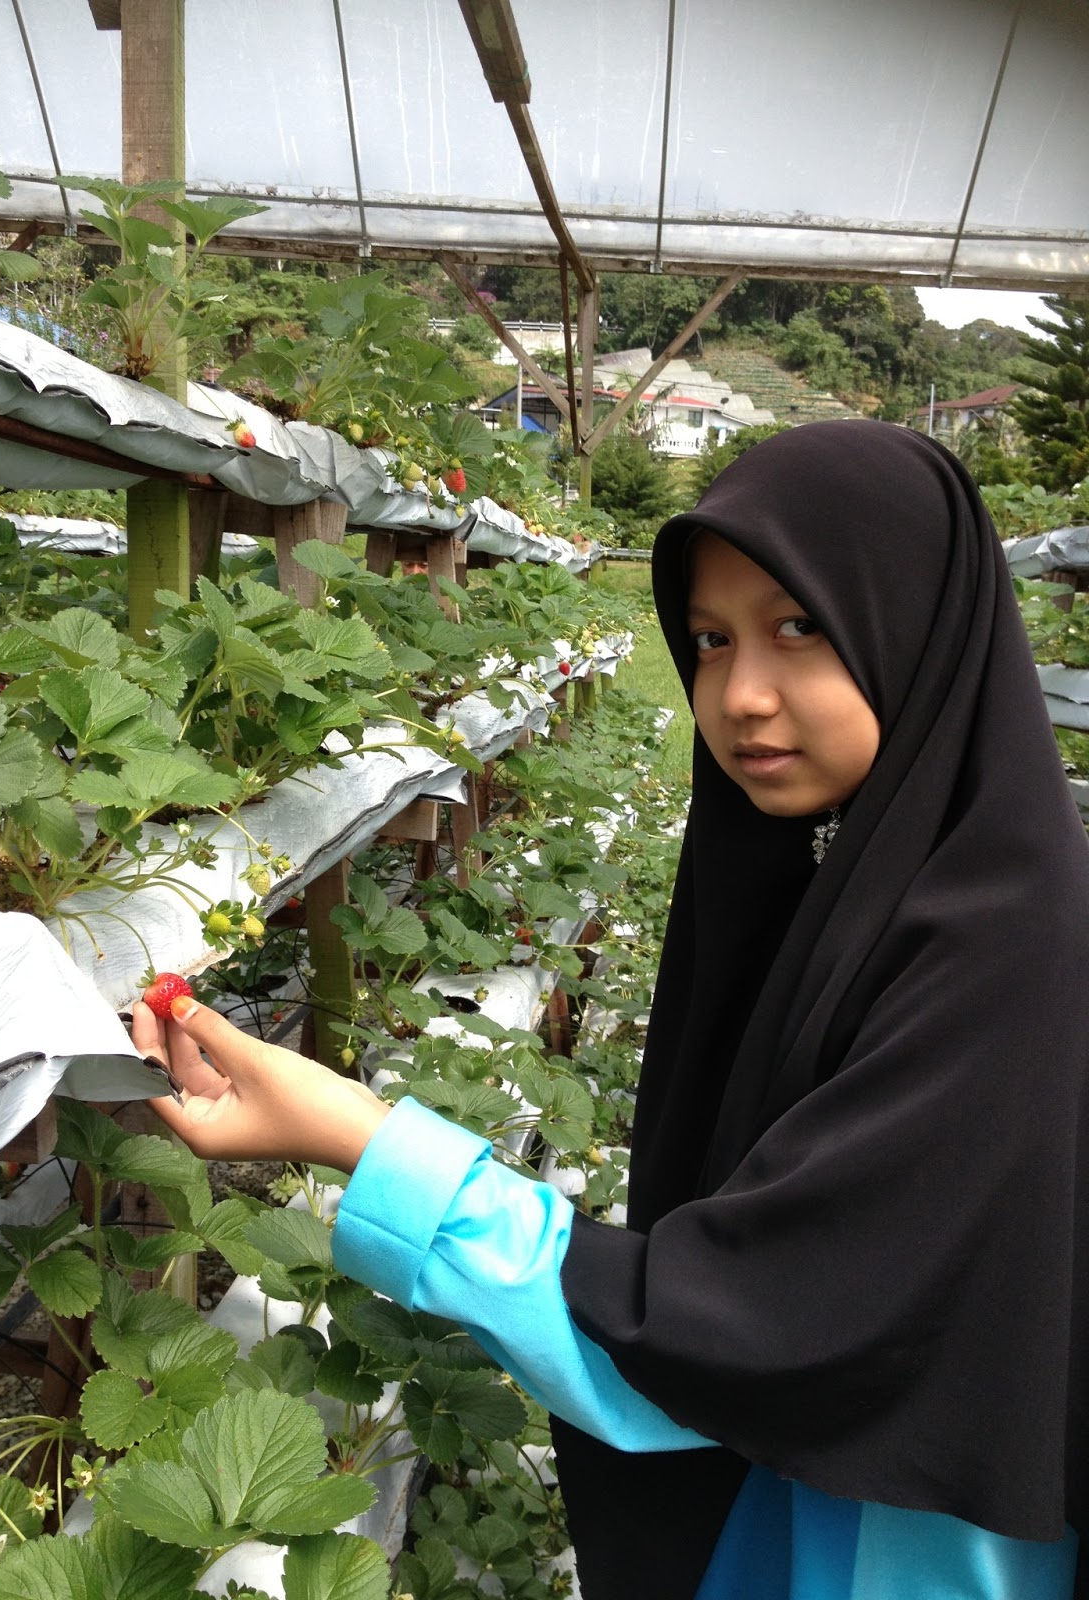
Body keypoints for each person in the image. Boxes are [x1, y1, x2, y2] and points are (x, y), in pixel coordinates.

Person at [140, 421, 1089, 1599]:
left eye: (800, 626)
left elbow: (755, 1328)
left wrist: (360, 1137)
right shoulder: (880, 881)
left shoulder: (1007, 961)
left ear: (918, 628)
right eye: (710, 639)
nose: (740, 695)